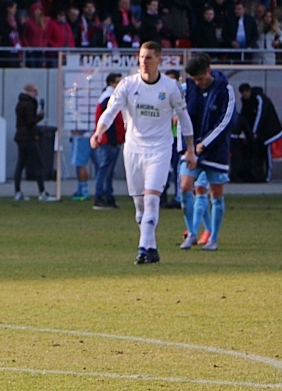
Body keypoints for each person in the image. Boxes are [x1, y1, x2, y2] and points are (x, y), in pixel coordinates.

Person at [92, 41, 196, 264]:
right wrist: (99, 132)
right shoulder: (128, 85)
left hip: (159, 150)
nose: (144, 62)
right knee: (140, 208)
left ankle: (142, 248)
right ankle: (152, 247)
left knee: (151, 201)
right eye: (141, 57)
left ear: (159, 60)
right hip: (133, 150)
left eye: (148, 57)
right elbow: (111, 111)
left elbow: (184, 118)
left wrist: (190, 148)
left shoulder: (170, 87)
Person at [180, 53, 236, 251]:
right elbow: (182, 117)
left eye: (201, 78)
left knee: (215, 194)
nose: (198, 83)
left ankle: (213, 237)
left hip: (215, 151)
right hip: (192, 149)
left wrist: (205, 142)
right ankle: (192, 233)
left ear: (208, 71)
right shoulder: (188, 89)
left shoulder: (225, 90)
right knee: (185, 186)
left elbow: (227, 119)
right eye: (194, 79)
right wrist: (187, 147)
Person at [13, 84, 55, 201]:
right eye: (35, 91)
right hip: (28, 138)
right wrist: (40, 116)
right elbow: (30, 121)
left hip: (20, 137)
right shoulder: (29, 103)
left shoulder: (20, 103)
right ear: (30, 91)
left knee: (20, 164)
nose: (37, 93)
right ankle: (42, 192)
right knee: (39, 164)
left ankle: (17, 191)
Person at [92, 73, 124, 210]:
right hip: (108, 140)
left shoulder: (107, 96)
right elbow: (108, 122)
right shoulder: (108, 98)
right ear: (111, 83)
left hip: (109, 140)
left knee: (107, 170)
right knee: (104, 170)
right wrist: (113, 139)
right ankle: (100, 197)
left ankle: (107, 197)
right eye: (117, 82)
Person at [237, 84, 282, 181]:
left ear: (249, 91)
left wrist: (254, 131)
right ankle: (258, 174)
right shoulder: (245, 101)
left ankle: (268, 176)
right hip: (259, 133)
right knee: (258, 152)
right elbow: (245, 116)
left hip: (270, 131)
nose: (245, 96)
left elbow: (260, 115)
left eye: (245, 93)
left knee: (267, 152)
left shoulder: (260, 99)